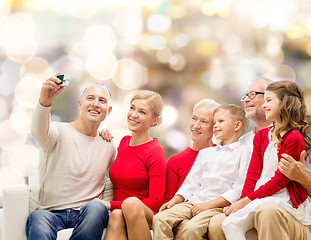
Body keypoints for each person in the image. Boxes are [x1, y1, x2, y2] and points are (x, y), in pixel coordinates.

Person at [26, 74, 116, 240]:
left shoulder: (108, 145)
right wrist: (45, 102)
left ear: (108, 111)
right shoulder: (58, 132)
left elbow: (109, 184)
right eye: (90, 98)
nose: (95, 104)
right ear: (80, 104)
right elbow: (38, 133)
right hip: (50, 214)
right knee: (38, 218)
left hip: (87, 215)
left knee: (97, 208)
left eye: (102, 101)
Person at [222, 80, 311, 240]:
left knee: (266, 212)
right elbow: (252, 175)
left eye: (269, 100)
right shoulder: (262, 136)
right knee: (230, 224)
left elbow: (280, 181)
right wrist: (243, 201)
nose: (264, 105)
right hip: (258, 195)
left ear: (285, 104)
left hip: (280, 197)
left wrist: (246, 201)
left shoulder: (294, 138)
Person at [152, 104, 250, 240]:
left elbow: (238, 189)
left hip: (217, 206)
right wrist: (175, 200)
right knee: (159, 219)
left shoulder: (244, 153)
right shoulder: (205, 153)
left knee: (191, 229)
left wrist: (207, 205)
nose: (215, 125)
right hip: (194, 202)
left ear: (237, 126)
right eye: (214, 122)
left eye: (221, 121)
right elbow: (191, 183)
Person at [96, 90, 166, 240]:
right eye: (132, 108)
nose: (134, 114)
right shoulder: (123, 141)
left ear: (154, 120)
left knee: (129, 205)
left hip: (142, 213)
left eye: (142, 112)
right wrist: (99, 136)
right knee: (117, 215)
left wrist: (110, 205)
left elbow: (156, 201)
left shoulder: (155, 151)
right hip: (118, 212)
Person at [164, 99, 220, 203]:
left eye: (204, 121)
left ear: (214, 127)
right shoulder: (174, 161)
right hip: (180, 215)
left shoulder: (223, 156)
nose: (196, 125)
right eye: (194, 119)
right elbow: (168, 201)